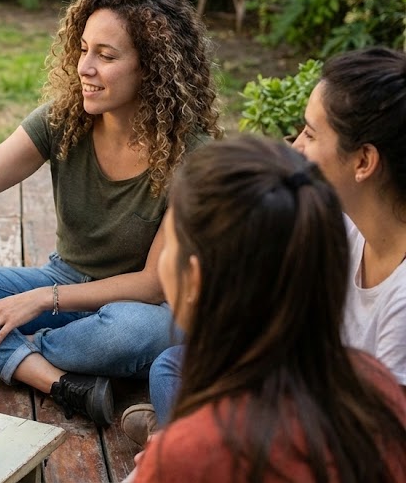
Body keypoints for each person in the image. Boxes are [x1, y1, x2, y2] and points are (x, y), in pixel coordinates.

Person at [0, 0, 221, 426]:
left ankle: (13, 350)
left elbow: (152, 284)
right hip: (62, 280)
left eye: (106, 55)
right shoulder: (65, 120)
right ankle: (56, 380)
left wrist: (42, 300)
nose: (85, 67)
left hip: (134, 306)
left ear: (152, 67)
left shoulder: (191, 157)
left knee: (141, 331)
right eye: (83, 50)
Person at [122, 46, 406, 446]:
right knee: (173, 365)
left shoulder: (402, 298)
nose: (295, 147)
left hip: (336, 438)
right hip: (306, 388)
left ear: (363, 162)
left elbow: (380, 442)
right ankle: (182, 435)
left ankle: (181, 442)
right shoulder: (346, 223)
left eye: (310, 133)